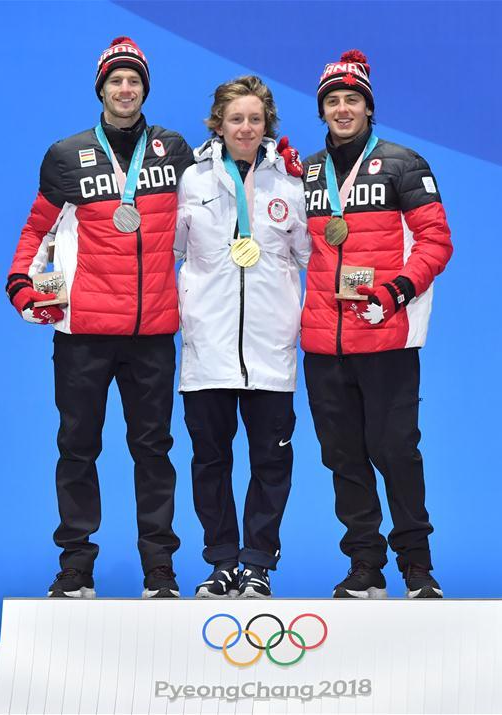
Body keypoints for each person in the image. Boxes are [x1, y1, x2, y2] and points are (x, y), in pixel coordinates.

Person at [5, 37, 194, 599]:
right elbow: (36, 228)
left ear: (145, 89)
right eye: (116, 80)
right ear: (101, 89)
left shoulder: (173, 150)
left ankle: (159, 569)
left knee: (154, 451)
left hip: (153, 333)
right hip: (84, 333)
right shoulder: (67, 155)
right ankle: (76, 567)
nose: (125, 88)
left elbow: (215, 206)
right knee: (77, 447)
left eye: (134, 80)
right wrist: (19, 282)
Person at [301, 50, 453, 599]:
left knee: (395, 451)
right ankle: (365, 565)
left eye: (353, 99)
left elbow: (436, 242)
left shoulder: (403, 163)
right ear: (322, 111)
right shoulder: (310, 171)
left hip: (385, 334)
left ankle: (417, 566)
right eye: (333, 101)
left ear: (369, 107)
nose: (343, 109)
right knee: (341, 455)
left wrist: (395, 291)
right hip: (323, 341)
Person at [175, 76, 309, 599]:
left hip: (271, 349)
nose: (246, 128)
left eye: (255, 119)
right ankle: (221, 561)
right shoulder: (192, 182)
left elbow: (309, 261)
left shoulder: (290, 187)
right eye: (236, 119)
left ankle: (257, 563)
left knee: (270, 461)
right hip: (207, 348)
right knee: (210, 462)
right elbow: (172, 253)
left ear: (266, 124)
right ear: (218, 124)